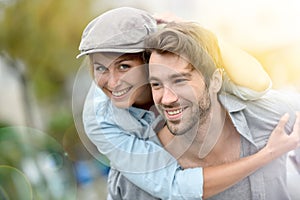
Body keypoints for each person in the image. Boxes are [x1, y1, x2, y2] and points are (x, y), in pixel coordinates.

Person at [76, 7, 298, 199]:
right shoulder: (100, 120)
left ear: (149, 59)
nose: (113, 82)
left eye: (124, 67)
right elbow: (174, 185)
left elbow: (257, 84)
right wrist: (266, 155)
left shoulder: (192, 65)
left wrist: (201, 33)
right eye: (100, 68)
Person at [143, 21, 300, 199]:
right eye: (156, 84)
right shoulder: (144, 168)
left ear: (215, 81)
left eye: (180, 81)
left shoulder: (269, 117)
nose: (167, 98)